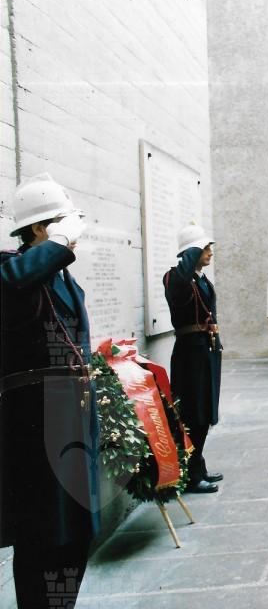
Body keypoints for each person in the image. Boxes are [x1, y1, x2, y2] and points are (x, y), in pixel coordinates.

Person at [1, 173, 100, 608]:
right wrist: (58, 242)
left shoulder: (62, 278)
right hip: (35, 425)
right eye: (61, 223)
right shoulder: (14, 271)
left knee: (75, 533)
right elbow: (15, 280)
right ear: (40, 229)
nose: (72, 234)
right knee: (43, 534)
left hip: (73, 423)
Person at [165, 222, 225, 495]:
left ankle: (197, 464)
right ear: (191, 252)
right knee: (193, 413)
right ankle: (191, 474)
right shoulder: (175, 278)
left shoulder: (200, 278)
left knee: (206, 411)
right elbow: (178, 287)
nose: (210, 252)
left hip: (206, 349)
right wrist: (191, 251)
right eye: (205, 248)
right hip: (190, 352)